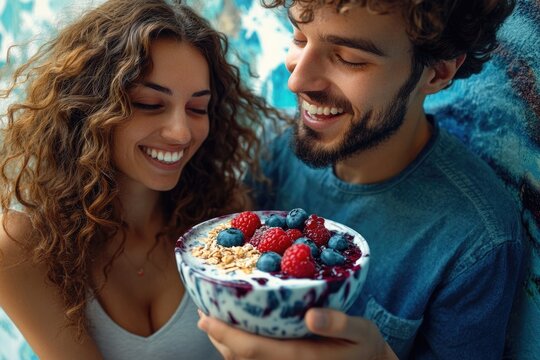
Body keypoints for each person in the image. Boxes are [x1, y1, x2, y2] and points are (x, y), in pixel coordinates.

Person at [197, 0, 526, 359]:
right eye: (300, 38)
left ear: (437, 73)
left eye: (350, 59)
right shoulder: (277, 151)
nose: (297, 80)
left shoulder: (477, 241)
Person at [0, 0, 282, 358]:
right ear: (89, 108)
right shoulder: (24, 247)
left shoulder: (224, 214)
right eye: (150, 104)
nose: (181, 133)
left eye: (198, 109)